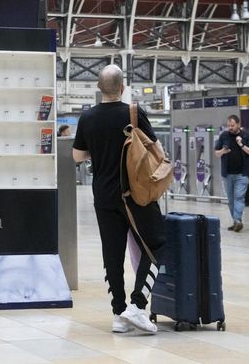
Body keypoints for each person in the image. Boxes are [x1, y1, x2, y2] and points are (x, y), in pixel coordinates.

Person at [72, 64, 164, 335]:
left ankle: (118, 314)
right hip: (135, 195)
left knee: (112, 255)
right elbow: (156, 149)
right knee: (156, 244)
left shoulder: (87, 118)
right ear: (122, 88)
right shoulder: (133, 113)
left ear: (99, 88)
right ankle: (137, 305)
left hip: (103, 195)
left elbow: (78, 157)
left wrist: (100, 153)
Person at [214, 114, 249, 232]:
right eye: (228, 125)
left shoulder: (246, 136)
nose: (230, 128)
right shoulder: (224, 136)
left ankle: (238, 220)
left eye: (232, 125)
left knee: (239, 197)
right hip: (227, 174)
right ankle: (236, 221)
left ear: (238, 124)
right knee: (230, 200)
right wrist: (223, 150)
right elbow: (216, 154)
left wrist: (241, 145)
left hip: (242, 174)